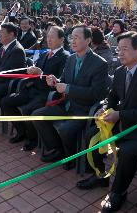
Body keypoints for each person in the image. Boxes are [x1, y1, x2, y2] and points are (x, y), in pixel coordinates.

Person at [76, 32, 137, 212]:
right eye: (118, 49)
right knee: (92, 134)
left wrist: (119, 115)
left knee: (127, 151)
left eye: (125, 49)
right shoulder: (119, 71)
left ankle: (119, 192)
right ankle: (100, 175)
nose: (120, 53)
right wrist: (105, 107)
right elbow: (112, 97)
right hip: (122, 122)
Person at [32, 25, 109, 170]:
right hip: (66, 104)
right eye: (71, 37)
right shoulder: (71, 59)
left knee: (65, 129)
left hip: (83, 109)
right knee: (37, 116)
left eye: (77, 38)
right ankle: (57, 150)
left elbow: (95, 94)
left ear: (88, 40)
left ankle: (71, 157)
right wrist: (55, 81)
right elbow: (64, 80)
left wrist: (68, 88)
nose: (73, 41)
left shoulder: (99, 64)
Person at [1, 26, 70, 150]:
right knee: (6, 102)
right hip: (33, 88)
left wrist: (41, 73)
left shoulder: (65, 57)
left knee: (28, 109)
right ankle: (22, 131)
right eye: (48, 36)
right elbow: (36, 70)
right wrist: (31, 70)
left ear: (61, 39)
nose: (49, 40)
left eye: (52, 37)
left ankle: (32, 139)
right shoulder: (45, 53)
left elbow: (60, 79)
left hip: (47, 93)